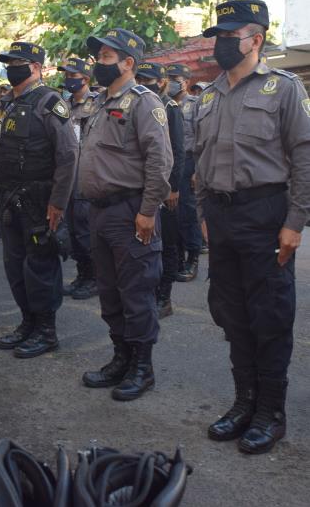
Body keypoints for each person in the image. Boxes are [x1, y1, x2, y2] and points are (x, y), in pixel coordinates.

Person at [196, 0, 310, 454]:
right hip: (221, 216)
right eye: (219, 36)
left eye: (230, 35)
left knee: (270, 315)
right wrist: (204, 212)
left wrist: (295, 221)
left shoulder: (283, 89)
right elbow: (200, 160)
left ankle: (270, 412)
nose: (222, 44)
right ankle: (243, 402)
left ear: (256, 39)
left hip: (265, 214)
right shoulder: (209, 94)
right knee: (232, 313)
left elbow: (304, 156)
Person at [78, 28, 173, 401]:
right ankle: (121, 357)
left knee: (136, 291)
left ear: (128, 62)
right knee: (110, 292)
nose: (97, 64)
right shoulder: (100, 102)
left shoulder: (145, 103)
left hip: (131, 210)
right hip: (99, 212)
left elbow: (160, 161)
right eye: (98, 57)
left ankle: (142, 366)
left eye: (104, 58)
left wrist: (148, 210)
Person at [0, 41, 78, 358]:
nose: (12, 67)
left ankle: (46, 330)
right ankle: (28, 322)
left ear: (37, 67)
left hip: (40, 199)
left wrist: (58, 203)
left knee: (40, 267)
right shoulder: (4, 105)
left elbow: (68, 156)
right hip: (9, 197)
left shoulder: (51, 102)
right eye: (9, 62)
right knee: (15, 266)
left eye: (19, 62)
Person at [135, 62, 185, 319]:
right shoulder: (137, 103)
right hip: (143, 185)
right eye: (139, 77)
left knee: (168, 243)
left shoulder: (169, 107)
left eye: (149, 79)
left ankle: (164, 296)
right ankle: (150, 292)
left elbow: (177, 150)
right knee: (147, 244)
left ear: (161, 82)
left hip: (166, 189)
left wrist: (173, 188)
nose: (143, 82)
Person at [58, 57, 99, 300]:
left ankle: (94, 278)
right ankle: (82, 275)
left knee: (85, 231)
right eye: (66, 76)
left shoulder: (97, 104)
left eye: (73, 76)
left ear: (85, 78)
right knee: (73, 231)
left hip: (86, 174)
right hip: (67, 176)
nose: (68, 80)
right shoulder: (64, 104)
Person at [166, 63, 202, 282]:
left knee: (189, 214)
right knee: (173, 215)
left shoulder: (195, 104)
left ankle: (193, 258)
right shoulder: (165, 104)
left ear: (186, 82)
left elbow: (202, 139)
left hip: (189, 163)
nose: (171, 82)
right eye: (169, 77)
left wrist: (198, 170)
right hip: (170, 163)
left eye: (176, 78)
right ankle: (177, 257)